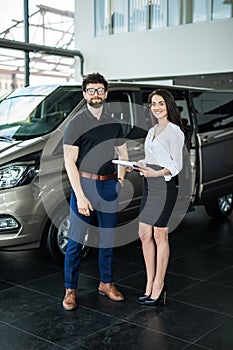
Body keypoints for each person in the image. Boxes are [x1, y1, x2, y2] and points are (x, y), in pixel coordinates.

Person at [62, 72, 128, 311]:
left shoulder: (114, 121)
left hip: (109, 184)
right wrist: (80, 195)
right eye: (91, 90)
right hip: (85, 185)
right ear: (84, 94)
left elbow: (123, 155)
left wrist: (120, 180)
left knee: (108, 240)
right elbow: (70, 162)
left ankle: (106, 283)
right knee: (76, 241)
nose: (96, 94)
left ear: (106, 93)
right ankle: (70, 289)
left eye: (100, 90)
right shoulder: (76, 124)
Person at [127, 89, 185, 306]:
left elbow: (176, 165)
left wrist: (156, 173)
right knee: (144, 233)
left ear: (168, 105)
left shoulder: (174, 131)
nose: (157, 107)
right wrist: (139, 165)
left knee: (160, 235)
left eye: (160, 103)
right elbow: (152, 157)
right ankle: (149, 280)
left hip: (165, 185)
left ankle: (159, 284)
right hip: (150, 184)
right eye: (153, 104)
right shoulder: (152, 131)